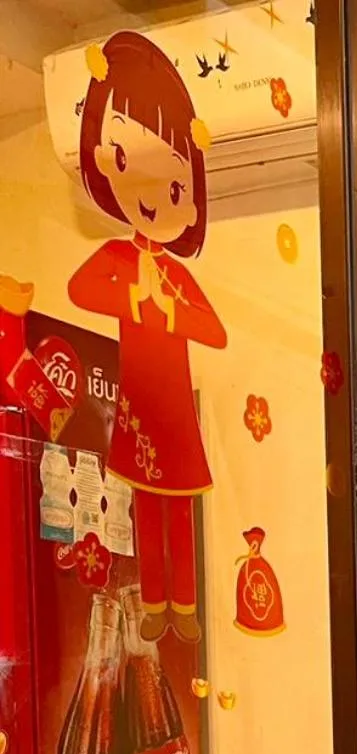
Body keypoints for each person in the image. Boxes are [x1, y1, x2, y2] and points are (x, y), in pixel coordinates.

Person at [68, 32, 226, 643]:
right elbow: (83, 291)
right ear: (108, 166)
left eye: (176, 187)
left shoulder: (178, 277)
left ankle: (183, 603)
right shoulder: (117, 260)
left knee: (179, 511)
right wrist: (138, 297)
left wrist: (168, 307)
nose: (158, 202)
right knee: (147, 512)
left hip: (176, 417)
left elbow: (210, 330)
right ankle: (155, 599)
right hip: (139, 410)